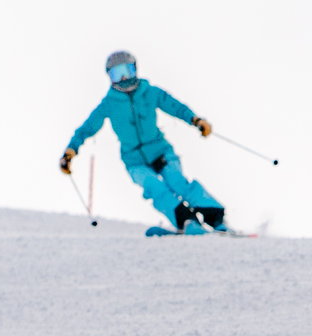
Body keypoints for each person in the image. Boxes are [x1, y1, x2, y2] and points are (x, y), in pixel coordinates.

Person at [60, 52, 228, 234]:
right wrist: (71, 150)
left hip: (160, 151)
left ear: (135, 70)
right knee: (154, 187)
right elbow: (87, 128)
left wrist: (195, 120)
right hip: (134, 160)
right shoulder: (109, 104)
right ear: (110, 77)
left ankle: (216, 218)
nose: (124, 77)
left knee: (177, 181)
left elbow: (175, 107)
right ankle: (187, 222)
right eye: (117, 73)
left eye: (127, 71)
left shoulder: (150, 92)